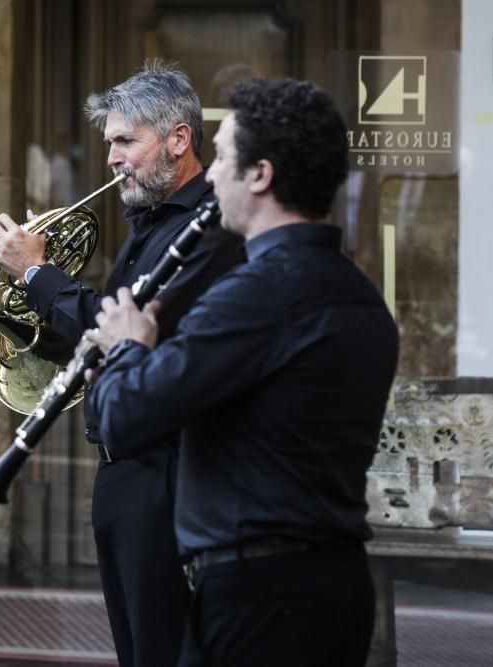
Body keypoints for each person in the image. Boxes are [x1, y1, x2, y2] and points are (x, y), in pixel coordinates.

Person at [85, 78, 399, 666]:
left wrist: (128, 345)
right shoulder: (359, 294)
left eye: (223, 158)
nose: (210, 176)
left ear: (259, 175)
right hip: (336, 581)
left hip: (259, 596)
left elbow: (124, 415)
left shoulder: (253, 295)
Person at [0, 61, 242, 666]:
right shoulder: (147, 224)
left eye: (126, 141)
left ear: (178, 140)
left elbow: (126, 328)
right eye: (110, 143)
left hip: (167, 475)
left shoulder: (209, 229)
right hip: (124, 471)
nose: (112, 159)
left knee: (162, 649)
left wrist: (39, 275)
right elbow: (102, 333)